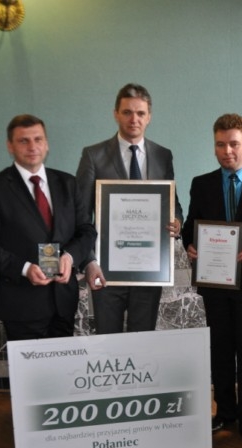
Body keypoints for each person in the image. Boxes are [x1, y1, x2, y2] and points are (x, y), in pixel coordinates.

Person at [181, 113, 242, 440]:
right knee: (219, 349)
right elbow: (191, 224)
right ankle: (225, 411)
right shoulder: (201, 183)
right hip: (215, 281)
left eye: (234, 144)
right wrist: (190, 243)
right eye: (220, 144)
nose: (227, 151)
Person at [0, 114, 96, 340]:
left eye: (38, 139)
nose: (32, 146)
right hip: (21, 304)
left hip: (63, 301)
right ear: (10, 146)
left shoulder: (67, 183)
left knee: (64, 362)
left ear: (46, 144)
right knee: (29, 365)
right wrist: (25, 268)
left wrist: (70, 257)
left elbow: (86, 230)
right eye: (23, 141)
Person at [76, 83, 183, 334]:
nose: (134, 119)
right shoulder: (93, 155)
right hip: (106, 269)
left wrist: (177, 222)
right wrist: (89, 261)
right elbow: (81, 215)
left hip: (149, 270)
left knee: (143, 342)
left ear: (149, 117)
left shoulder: (163, 155)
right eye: (127, 112)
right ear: (116, 114)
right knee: (108, 341)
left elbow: (173, 203)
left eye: (140, 113)